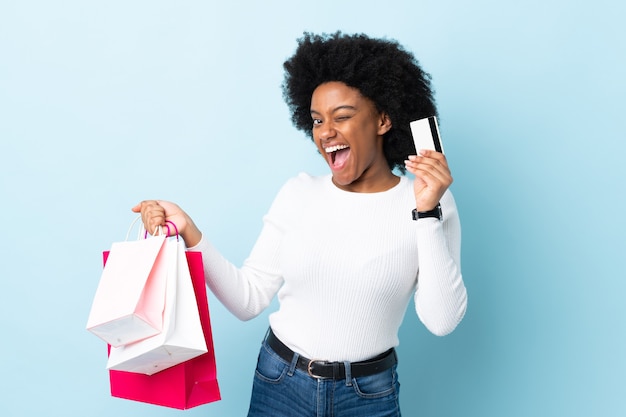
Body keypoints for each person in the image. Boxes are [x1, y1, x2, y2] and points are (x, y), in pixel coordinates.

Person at [133, 31, 467, 417]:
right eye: (317, 120)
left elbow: (442, 321)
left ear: (384, 119)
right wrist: (188, 228)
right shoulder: (299, 193)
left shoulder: (430, 201)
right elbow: (248, 298)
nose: (325, 132)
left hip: (368, 396)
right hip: (280, 383)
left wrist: (426, 212)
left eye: (342, 116)